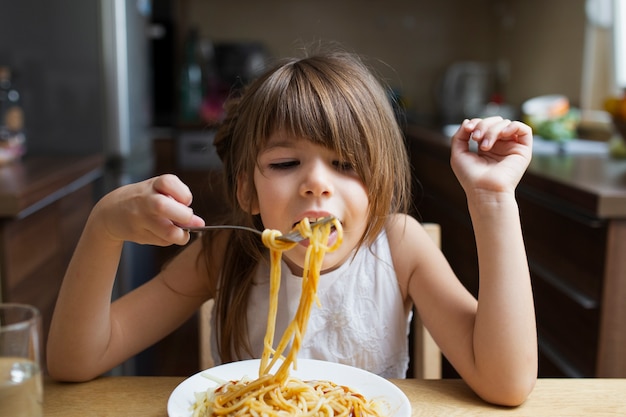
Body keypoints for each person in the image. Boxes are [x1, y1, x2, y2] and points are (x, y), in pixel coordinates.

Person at [47, 48, 537, 406]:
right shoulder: (225, 255)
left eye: (346, 163)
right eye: (285, 164)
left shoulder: (399, 244)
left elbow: (506, 383)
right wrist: (103, 228)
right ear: (246, 191)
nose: (316, 184)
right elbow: (76, 361)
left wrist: (492, 199)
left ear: (379, 182)